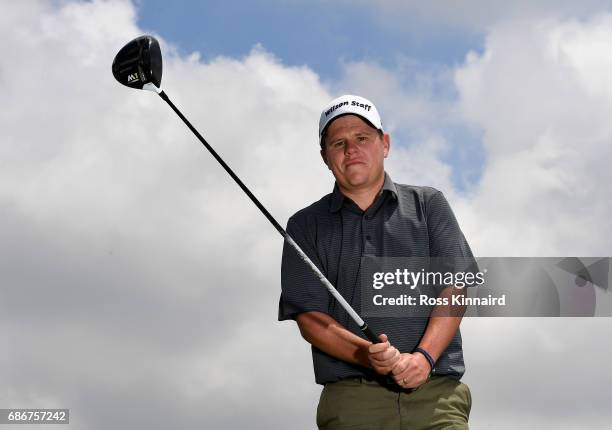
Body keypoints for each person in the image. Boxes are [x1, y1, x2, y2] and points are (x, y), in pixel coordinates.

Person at [278, 94, 475, 429]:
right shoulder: (304, 225)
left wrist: (424, 358)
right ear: (326, 157)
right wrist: (365, 355)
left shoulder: (429, 204)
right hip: (352, 403)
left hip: (436, 396)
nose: (351, 149)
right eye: (338, 142)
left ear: (385, 144)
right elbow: (310, 319)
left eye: (362, 138)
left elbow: (455, 288)